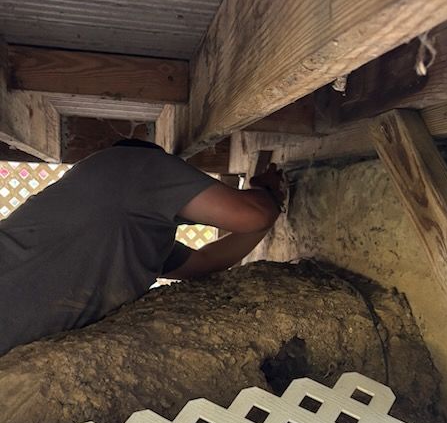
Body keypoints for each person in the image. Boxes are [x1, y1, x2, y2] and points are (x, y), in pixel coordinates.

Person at [0, 139, 285, 356]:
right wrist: (267, 193)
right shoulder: (134, 165)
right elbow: (251, 214)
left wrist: (270, 213)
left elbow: (206, 261)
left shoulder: (130, 234)